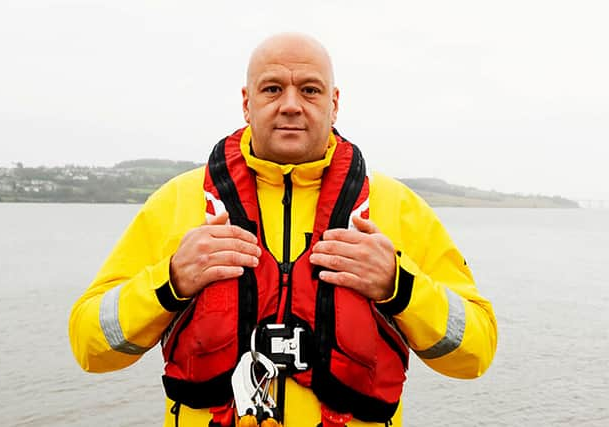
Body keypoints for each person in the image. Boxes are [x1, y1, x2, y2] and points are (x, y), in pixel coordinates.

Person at [69, 33, 497, 427]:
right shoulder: (176, 202)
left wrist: (400, 286)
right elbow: (90, 346)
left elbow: (475, 354)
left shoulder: (400, 209)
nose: (291, 104)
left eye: (309, 90)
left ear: (334, 102)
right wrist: (171, 281)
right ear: (246, 101)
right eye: (272, 88)